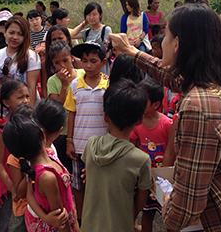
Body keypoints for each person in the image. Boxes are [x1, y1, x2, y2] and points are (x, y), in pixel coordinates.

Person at [109, 4, 221, 231]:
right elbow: (173, 76)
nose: (162, 42)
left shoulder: (198, 106)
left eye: (167, 35)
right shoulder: (216, 80)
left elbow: (188, 203)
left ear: (177, 43)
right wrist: (131, 52)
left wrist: (167, 205)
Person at [81, 79, 152, 231]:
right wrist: (130, 216)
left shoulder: (91, 144)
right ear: (139, 119)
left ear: (105, 116)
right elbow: (141, 201)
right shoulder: (141, 159)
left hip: (89, 226)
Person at [3, 113, 78, 232]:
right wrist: (47, 218)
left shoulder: (34, 164)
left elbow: (29, 195)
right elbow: (61, 220)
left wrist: (45, 217)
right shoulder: (47, 177)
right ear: (43, 135)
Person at [64, 40, 109, 224]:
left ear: (103, 63)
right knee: (79, 186)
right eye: (84, 61)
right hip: (80, 146)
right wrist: (69, 140)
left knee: (100, 185)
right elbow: (71, 114)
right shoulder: (74, 85)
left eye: (93, 61)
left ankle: (99, 218)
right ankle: (81, 219)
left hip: (102, 147)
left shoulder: (108, 86)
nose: (88, 65)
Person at [0, 79, 29, 232]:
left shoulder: (30, 124)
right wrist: (13, 187)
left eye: (27, 96)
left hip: (24, 179)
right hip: (6, 180)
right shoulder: (3, 129)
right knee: (3, 218)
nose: (25, 101)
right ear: (6, 102)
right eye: (20, 97)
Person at [129, 78, 171, 232]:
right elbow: (132, 148)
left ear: (156, 105)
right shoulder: (136, 124)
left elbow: (171, 151)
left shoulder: (167, 124)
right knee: (146, 213)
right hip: (144, 177)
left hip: (162, 178)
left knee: (168, 214)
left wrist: (163, 180)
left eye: (142, 100)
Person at [47, 41, 84, 173]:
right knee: (65, 170)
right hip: (62, 133)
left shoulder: (83, 74)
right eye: (57, 63)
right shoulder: (52, 81)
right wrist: (64, 85)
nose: (62, 65)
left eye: (65, 60)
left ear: (72, 58)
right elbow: (56, 106)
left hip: (81, 129)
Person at [0, 16, 41, 107]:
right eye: (11, 33)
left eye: (20, 34)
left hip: (24, 106)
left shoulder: (31, 57)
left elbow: (31, 87)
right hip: (5, 106)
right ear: (5, 32)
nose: (15, 37)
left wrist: (30, 112)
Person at [71, 2, 112, 75]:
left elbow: (105, 48)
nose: (91, 17)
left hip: (101, 67)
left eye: (94, 14)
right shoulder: (87, 32)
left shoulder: (106, 29)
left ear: (100, 15)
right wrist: (84, 24)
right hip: (88, 67)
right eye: (88, 15)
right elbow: (72, 35)